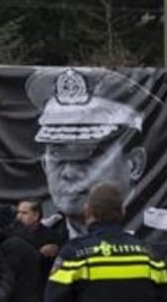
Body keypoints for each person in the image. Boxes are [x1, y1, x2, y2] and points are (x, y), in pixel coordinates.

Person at [26, 67, 147, 238]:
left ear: (135, 164)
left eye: (88, 156)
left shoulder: (155, 234)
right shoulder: (40, 236)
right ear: (44, 165)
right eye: (57, 155)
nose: (69, 172)